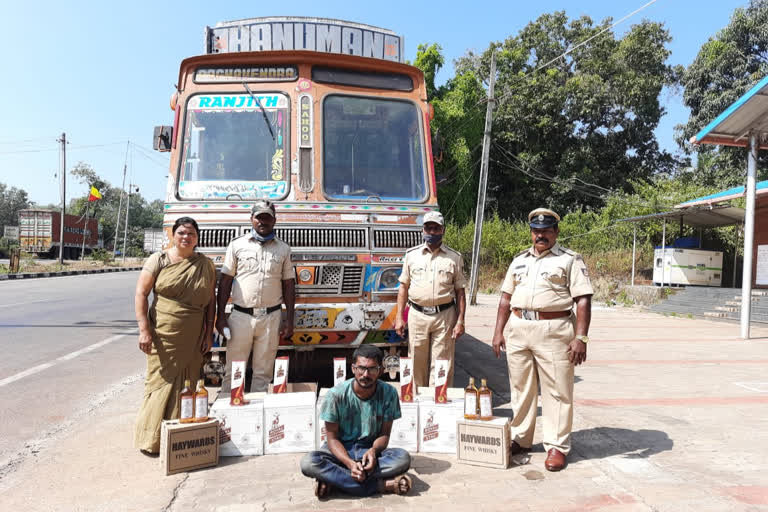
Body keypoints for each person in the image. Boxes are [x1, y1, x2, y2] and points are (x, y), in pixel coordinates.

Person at [491, 208, 593, 472]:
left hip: (555, 329)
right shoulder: (518, 260)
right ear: (531, 232)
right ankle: (521, 439)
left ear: (556, 232)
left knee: (557, 390)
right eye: (536, 231)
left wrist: (581, 337)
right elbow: (505, 298)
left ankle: (557, 446)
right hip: (518, 328)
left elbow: (583, 298)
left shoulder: (570, 260)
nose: (540, 235)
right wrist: (497, 331)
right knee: (520, 388)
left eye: (546, 231)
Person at [134, 216, 216, 454]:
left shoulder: (206, 265)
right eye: (181, 232)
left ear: (197, 237)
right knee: (160, 383)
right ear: (172, 235)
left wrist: (208, 331)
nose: (186, 237)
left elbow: (210, 301)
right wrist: (143, 330)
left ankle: (182, 439)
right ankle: (152, 440)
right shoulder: (158, 260)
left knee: (189, 383)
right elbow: (141, 294)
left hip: (193, 334)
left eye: (191, 233)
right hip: (163, 333)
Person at [300, 345, 412, 498]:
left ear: (380, 370)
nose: (365, 374)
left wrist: (373, 451)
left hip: (370, 452)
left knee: (402, 458)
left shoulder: (389, 393)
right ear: (353, 369)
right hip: (341, 452)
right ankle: (381, 485)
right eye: (361, 368)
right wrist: (349, 463)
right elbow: (332, 439)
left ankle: (336, 481)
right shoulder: (335, 395)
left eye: (372, 369)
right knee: (309, 463)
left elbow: (385, 435)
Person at [216, 200, 295, 392]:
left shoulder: (283, 249)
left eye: (267, 218)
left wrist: (290, 320)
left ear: (274, 221)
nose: (263, 222)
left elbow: (289, 286)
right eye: (259, 217)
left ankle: (257, 416)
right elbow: (225, 282)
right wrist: (220, 318)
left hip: (271, 318)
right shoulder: (237, 245)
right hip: (241, 317)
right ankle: (229, 413)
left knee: (264, 372)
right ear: (251, 219)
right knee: (234, 370)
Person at [395, 211, 467, 388]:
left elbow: (460, 292)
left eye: (436, 228)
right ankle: (418, 403)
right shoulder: (412, 255)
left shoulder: (454, 258)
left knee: (442, 363)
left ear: (443, 230)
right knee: (415, 363)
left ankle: (439, 403)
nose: (432, 232)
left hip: (444, 316)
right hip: (417, 315)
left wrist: (460, 321)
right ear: (422, 230)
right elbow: (403, 288)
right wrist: (399, 318)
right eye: (428, 228)